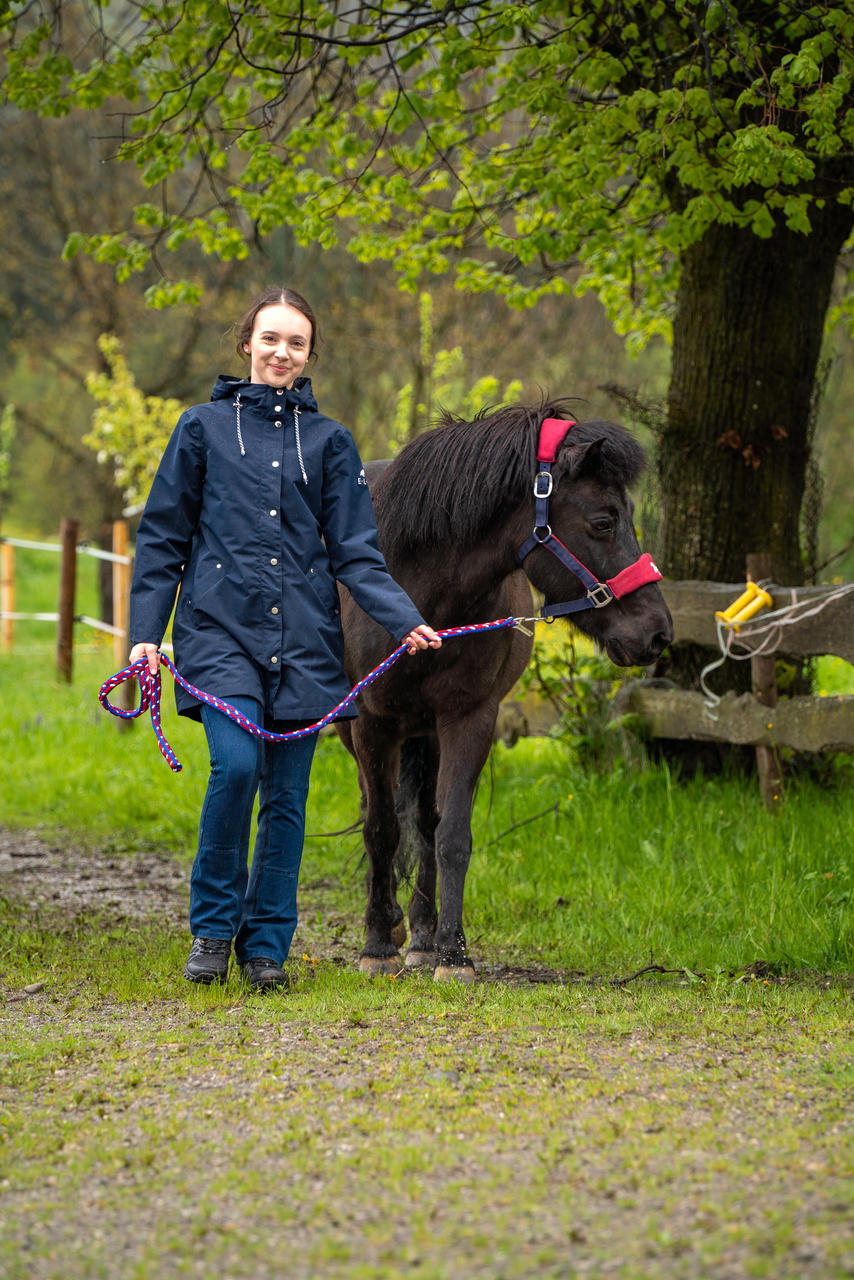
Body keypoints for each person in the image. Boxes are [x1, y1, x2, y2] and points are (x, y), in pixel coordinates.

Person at [129, 286, 441, 991]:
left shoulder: (330, 443)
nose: (281, 352)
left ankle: (267, 944)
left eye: (295, 343)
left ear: (307, 357)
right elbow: (163, 539)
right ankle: (212, 929)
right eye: (271, 338)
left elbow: (357, 552)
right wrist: (146, 635)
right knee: (235, 770)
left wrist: (403, 617)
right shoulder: (201, 430)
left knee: (288, 800)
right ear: (248, 343)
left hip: (304, 646)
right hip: (218, 637)